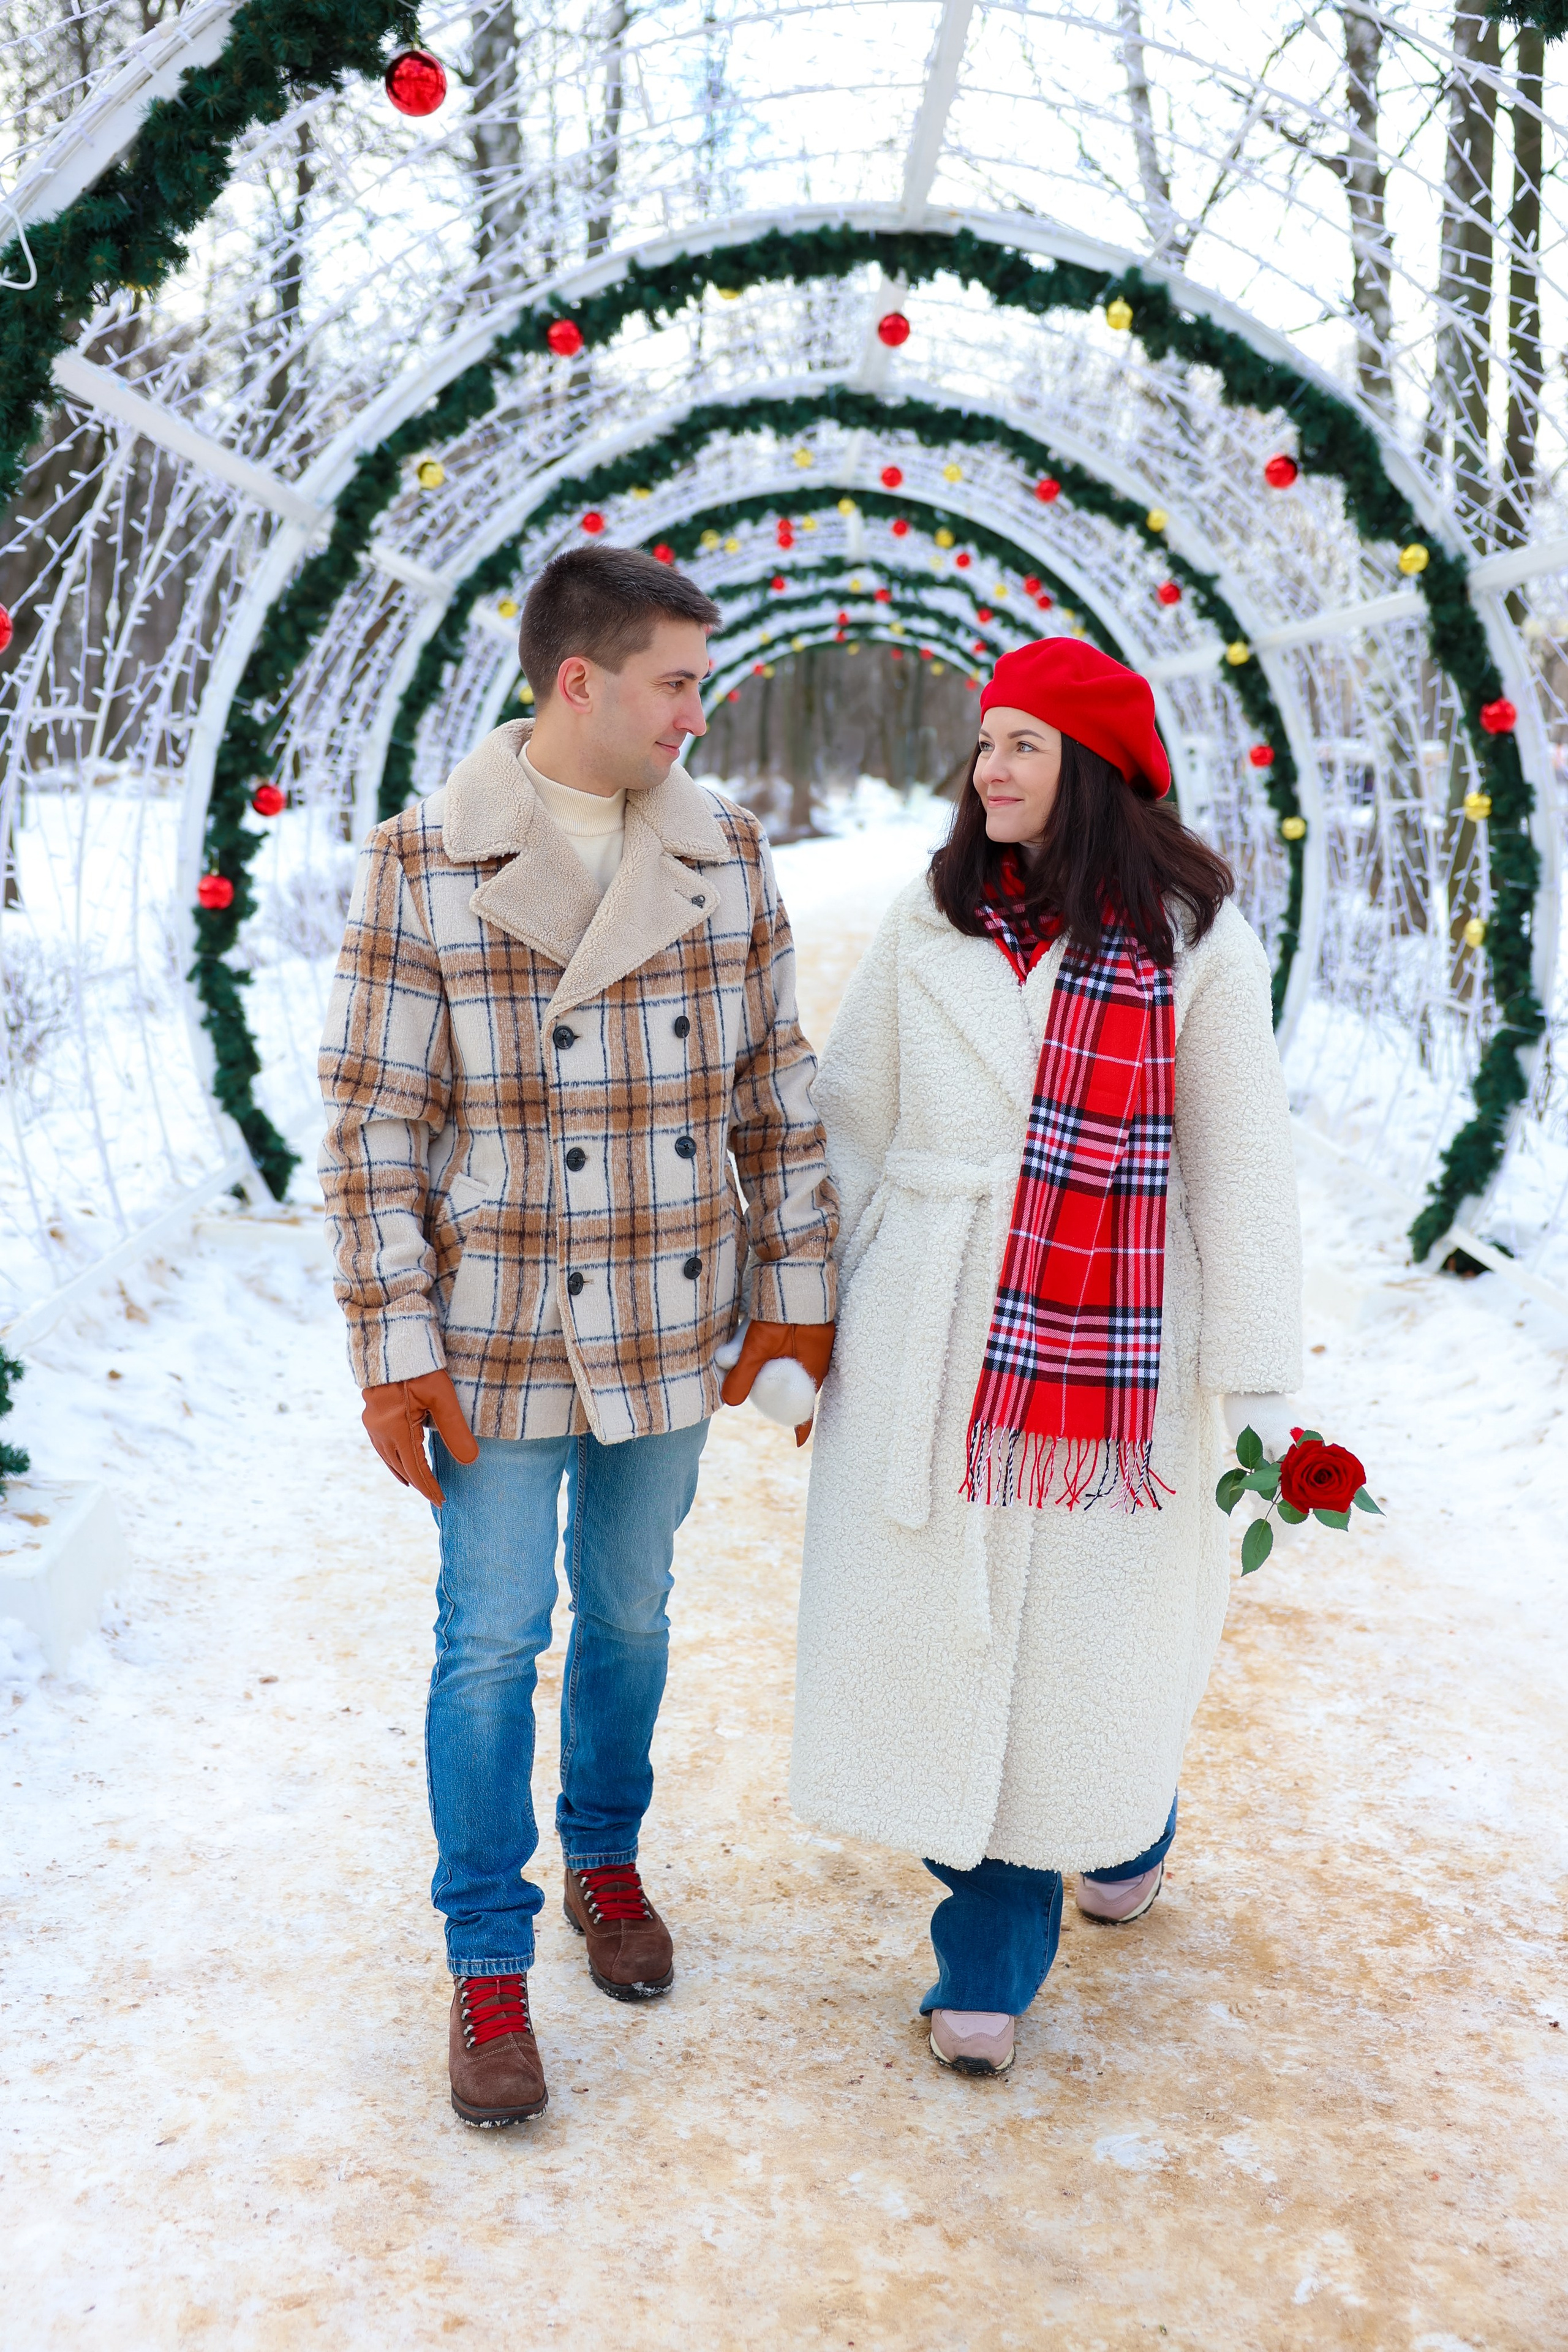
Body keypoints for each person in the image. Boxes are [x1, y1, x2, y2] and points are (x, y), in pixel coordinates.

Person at [319, 544, 837, 2126]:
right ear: (579, 683)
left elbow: (777, 1092)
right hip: (493, 1337)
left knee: (632, 1615)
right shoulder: (425, 863)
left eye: (701, 679)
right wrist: (390, 1343)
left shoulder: (727, 853)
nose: (699, 707)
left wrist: (798, 1302)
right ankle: (486, 1955)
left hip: (671, 1320)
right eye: (676, 680)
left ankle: (603, 1862)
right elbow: (370, 1127)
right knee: (489, 1638)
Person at [790, 638, 1301, 2077]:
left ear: (1090, 770)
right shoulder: (929, 916)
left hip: (1119, 1339)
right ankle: (992, 1950)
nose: (988, 770)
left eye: (1021, 744)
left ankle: (1120, 1815)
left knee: (1084, 1653)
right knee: (963, 1639)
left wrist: (1257, 1376)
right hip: (937, 1323)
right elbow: (848, 1119)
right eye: (983, 743)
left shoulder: (1194, 942)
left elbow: (1240, 1168)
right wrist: (807, 1316)